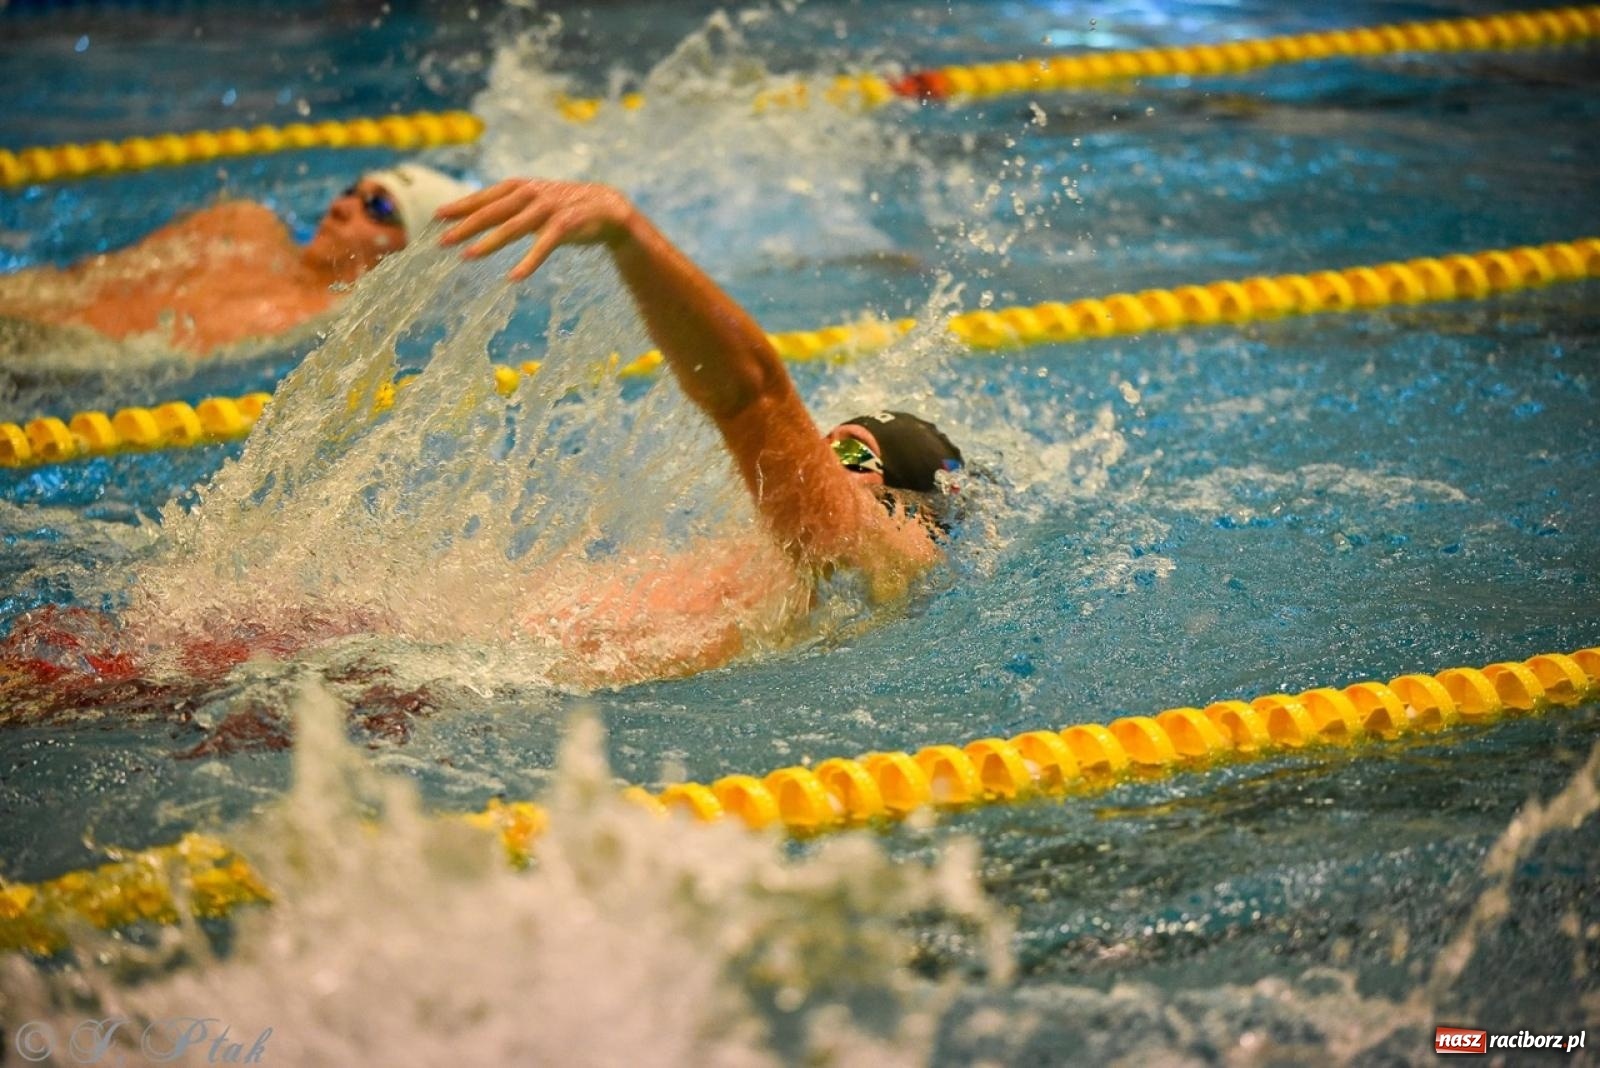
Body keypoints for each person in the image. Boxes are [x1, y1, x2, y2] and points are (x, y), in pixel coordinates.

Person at [437, 179, 965, 675]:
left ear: (912, 503)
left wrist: (630, 234)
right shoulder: (748, 564)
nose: (817, 460)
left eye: (850, 455)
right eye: (819, 445)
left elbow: (752, 395)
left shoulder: (895, 551)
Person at [0, 162, 472, 357]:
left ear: (407, 251)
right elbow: (86, 276)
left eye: (379, 208)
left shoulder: (323, 321)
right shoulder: (244, 225)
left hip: (50, 356)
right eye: (354, 189)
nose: (343, 205)